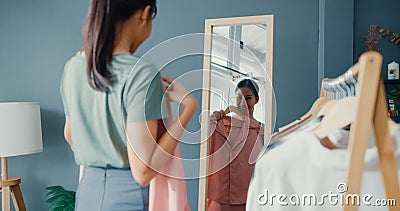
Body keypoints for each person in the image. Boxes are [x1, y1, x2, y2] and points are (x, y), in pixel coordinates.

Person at [60, 0, 197, 210]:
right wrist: (188, 110)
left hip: (88, 193)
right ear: (145, 13)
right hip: (129, 198)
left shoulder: (73, 68)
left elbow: (70, 136)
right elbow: (143, 172)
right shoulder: (141, 74)